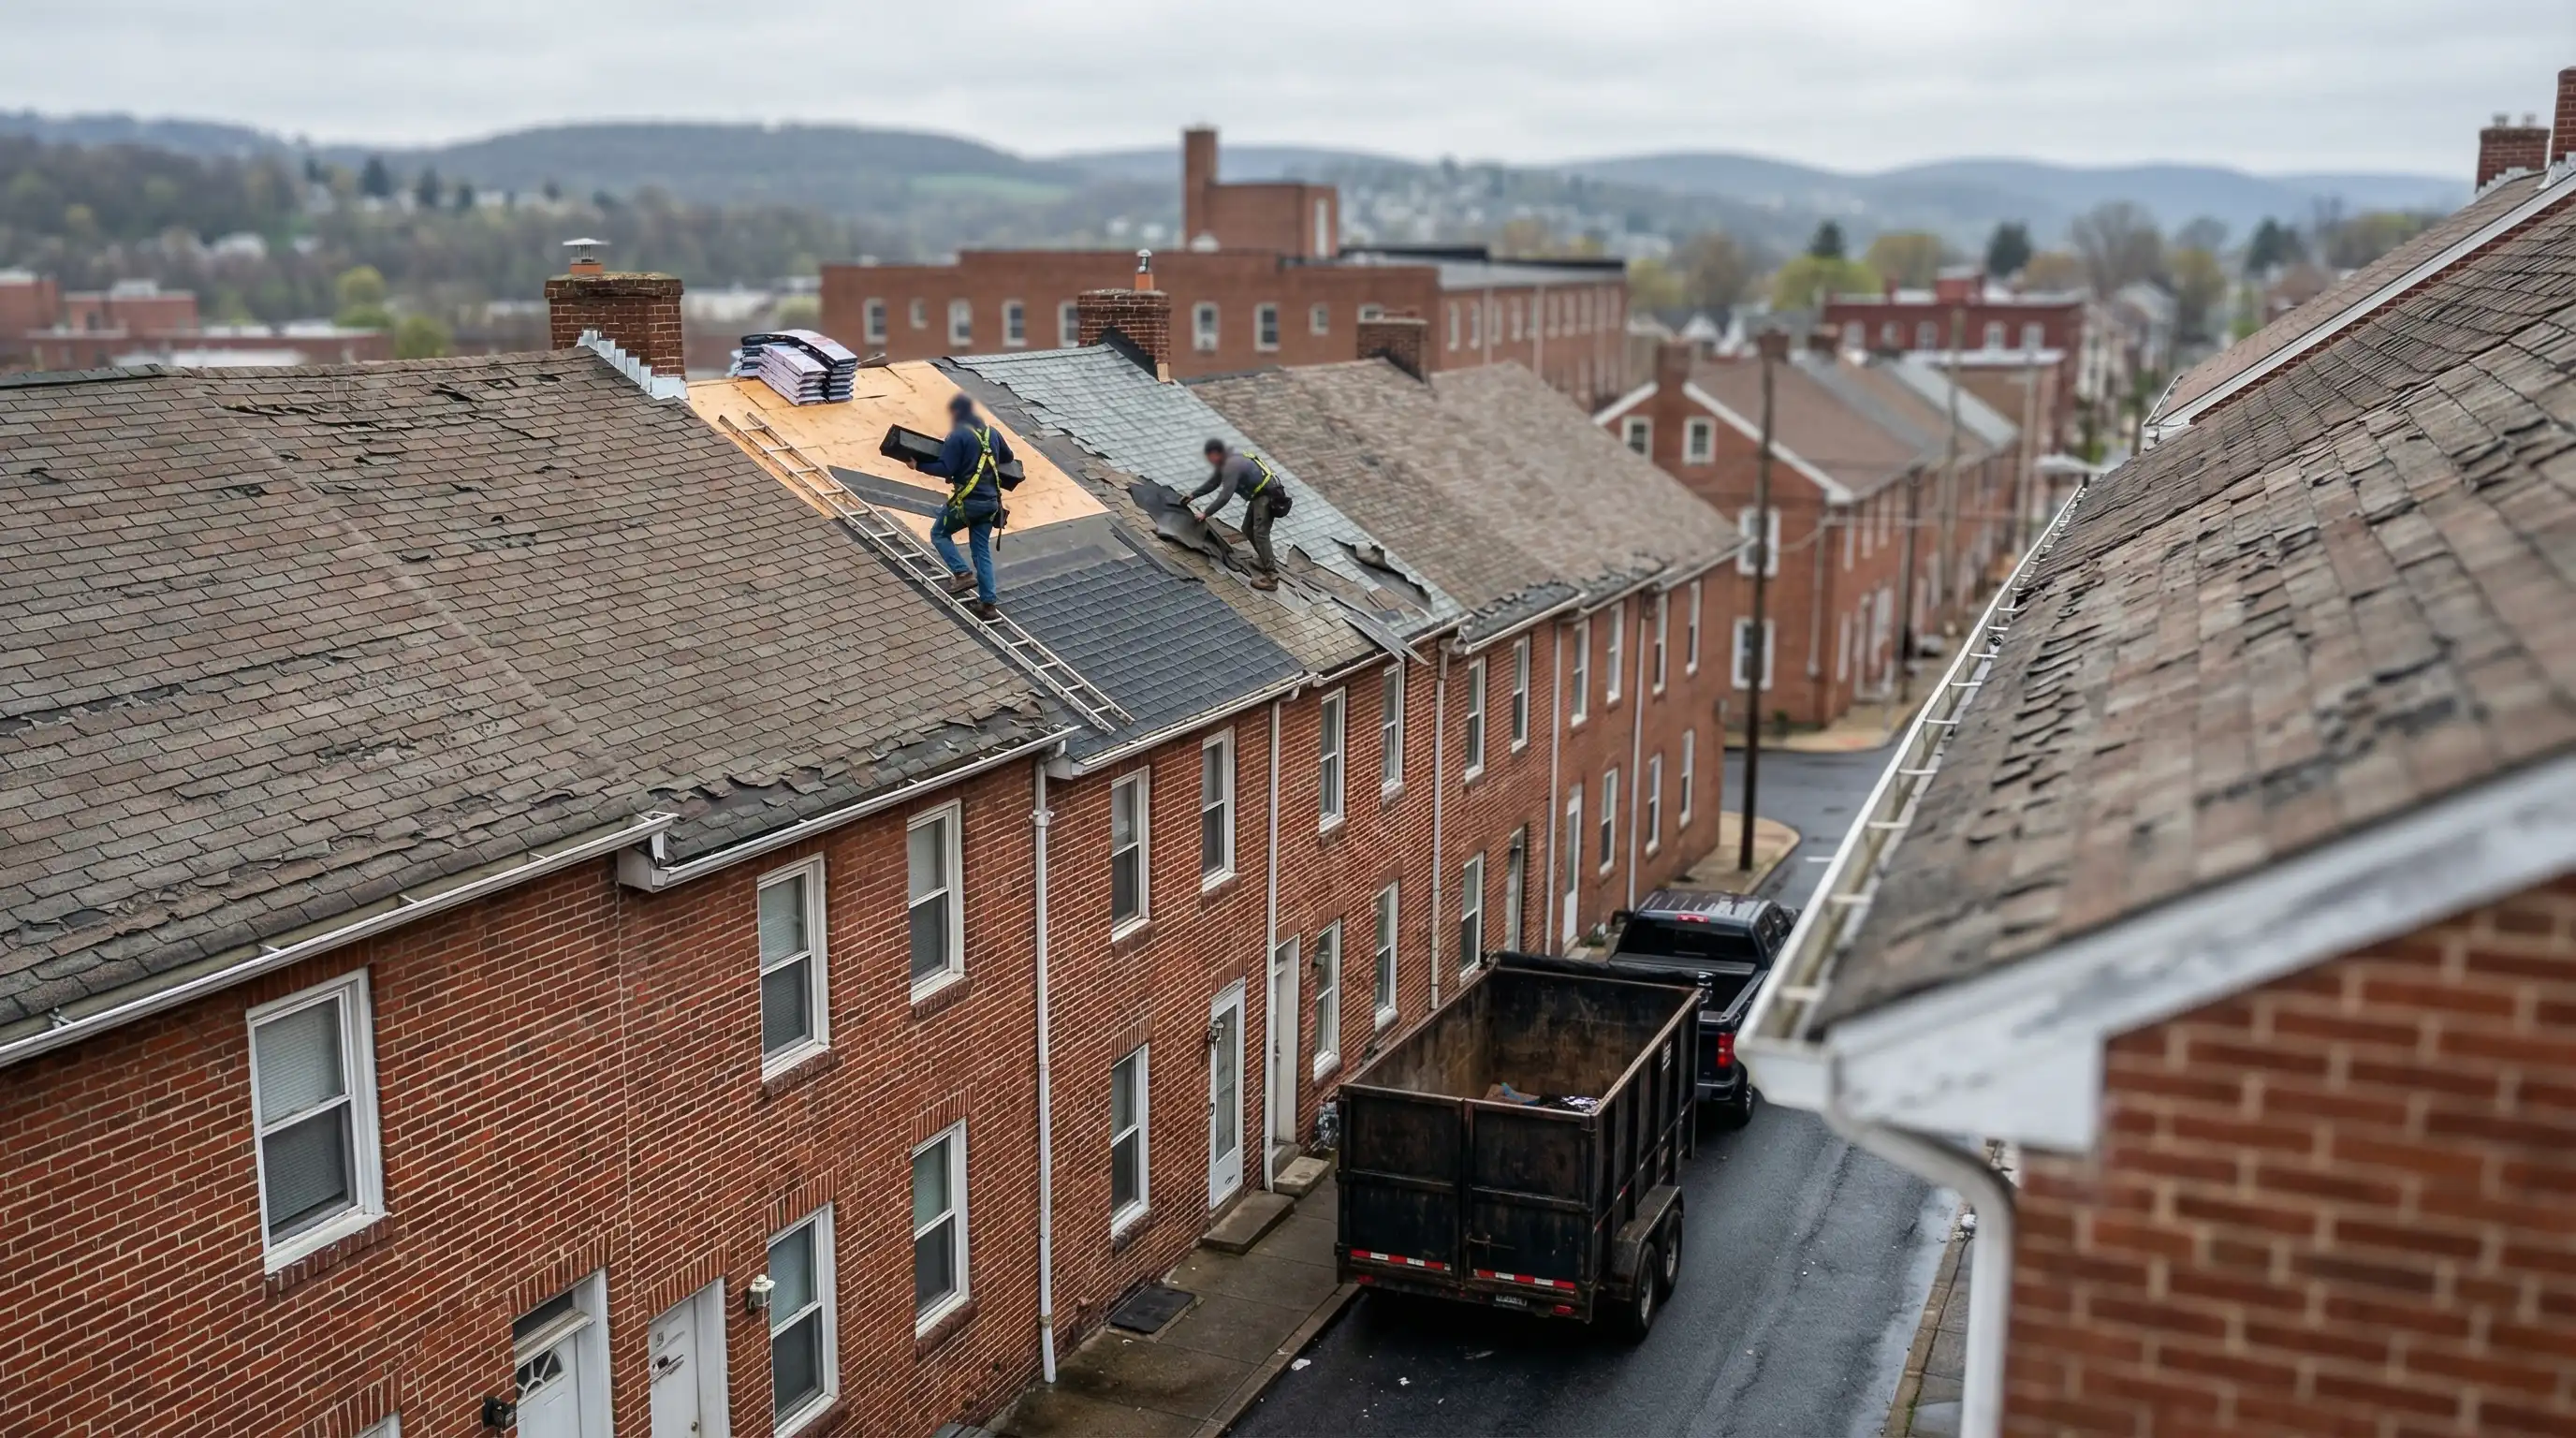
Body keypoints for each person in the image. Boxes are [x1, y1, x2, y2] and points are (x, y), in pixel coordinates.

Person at [919, 393, 1014, 620]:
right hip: (991, 503)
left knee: (940, 533)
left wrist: (918, 465)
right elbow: (1008, 456)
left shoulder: (958, 435)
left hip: (967, 503)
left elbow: (945, 468)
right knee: (981, 550)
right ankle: (988, 603)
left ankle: (961, 573)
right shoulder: (993, 433)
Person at [1189, 437, 1282, 591]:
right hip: (1259, 495)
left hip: (1268, 496)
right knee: (1247, 528)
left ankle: (1272, 577)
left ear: (1216, 454)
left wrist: (1205, 513)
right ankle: (1264, 560)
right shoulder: (1227, 460)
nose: (1209, 461)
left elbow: (1225, 496)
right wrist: (1193, 495)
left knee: (1261, 534)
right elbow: (1213, 483)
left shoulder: (1232, 465)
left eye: (1209, 457)